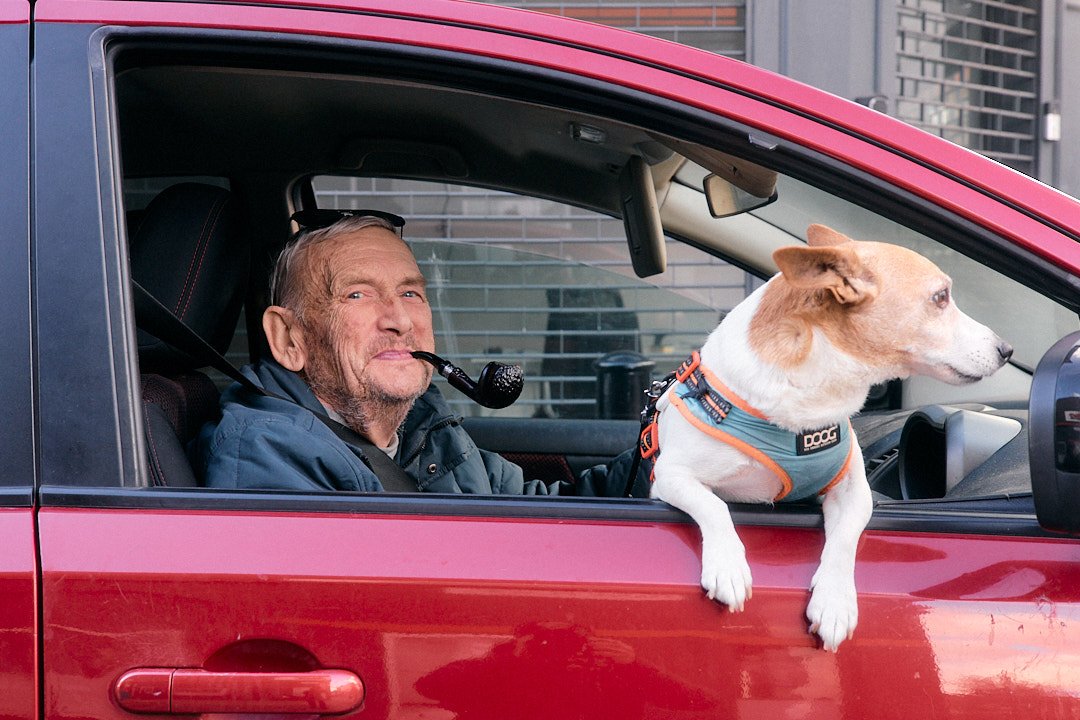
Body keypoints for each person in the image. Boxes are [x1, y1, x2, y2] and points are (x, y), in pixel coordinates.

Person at [190, 211, 553, 494]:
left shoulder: (422, 425)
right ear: (288, 338)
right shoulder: (267, 458)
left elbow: (535, 515)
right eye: (357, 294)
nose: (400, 321)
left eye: (410, 294)